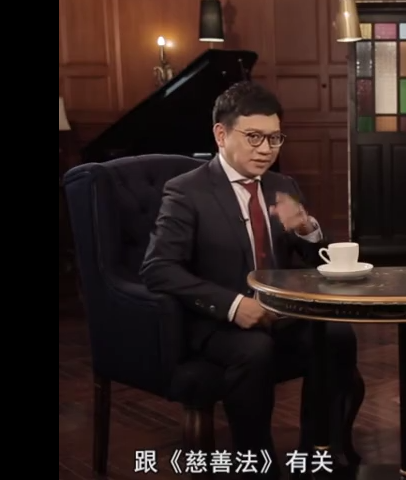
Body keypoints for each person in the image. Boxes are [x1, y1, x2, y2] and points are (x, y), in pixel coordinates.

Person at [140, 81, 359, 479]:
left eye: (275, 138)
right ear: (221, 134)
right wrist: (233, 305)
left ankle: (318, 453)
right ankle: (255, 464)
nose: (266, 149)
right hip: (218, 321)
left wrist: (307, 229)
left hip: (279, 313)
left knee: (337, 335)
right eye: (254, 137)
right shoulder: (187, 191)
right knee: (254, 349)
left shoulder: (281, 185)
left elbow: (315, 260)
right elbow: (158, 267)